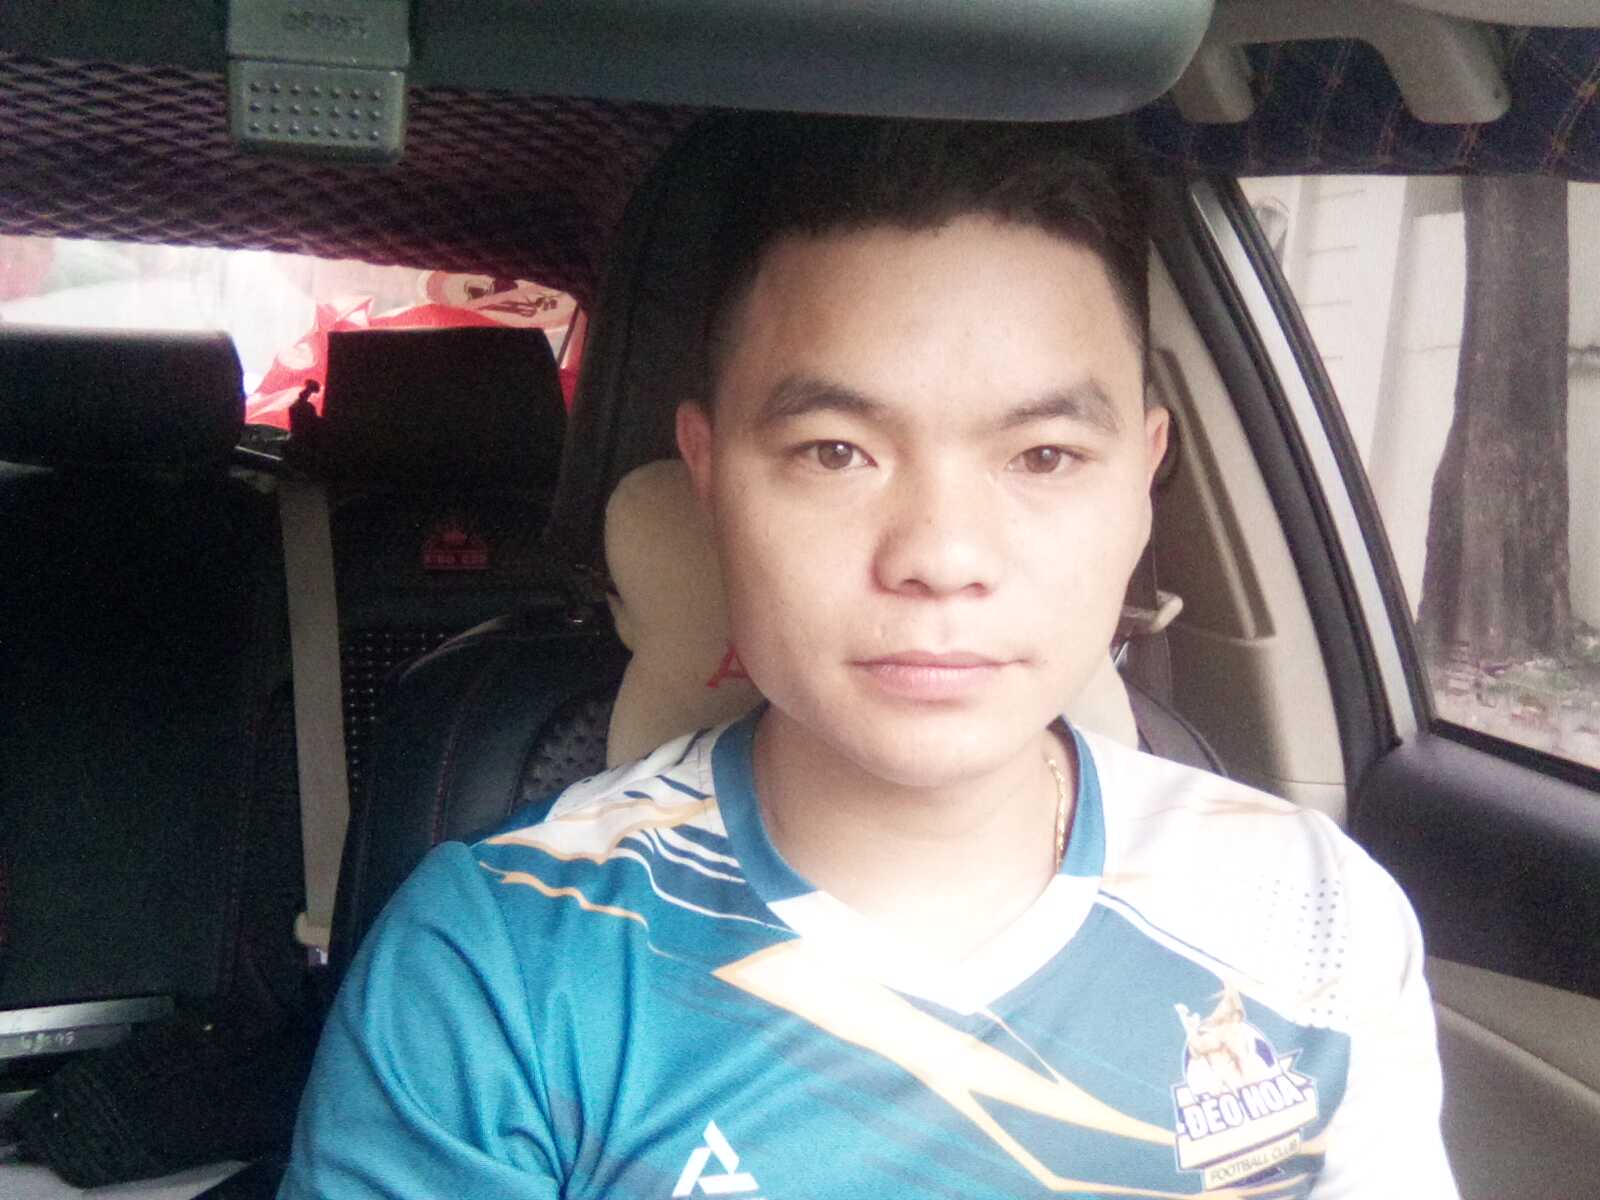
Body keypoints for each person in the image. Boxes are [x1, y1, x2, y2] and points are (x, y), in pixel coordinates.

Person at [279, 116, 1457, 1198]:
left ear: (1141, 484)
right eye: (835, 451)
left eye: (1043, 457)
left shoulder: (1313, 913)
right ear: (709, 477)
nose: (941, 557)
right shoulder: (501, 963)